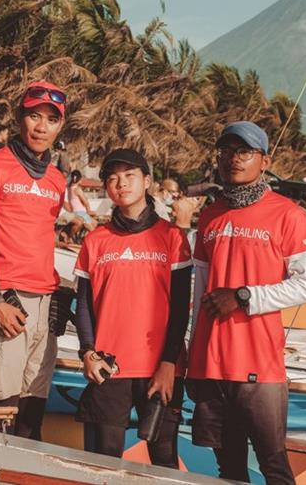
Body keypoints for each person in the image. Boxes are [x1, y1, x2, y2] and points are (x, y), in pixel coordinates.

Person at [188, 121, 306, 484]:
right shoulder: (211, 214)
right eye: (226, 151)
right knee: (228, 470)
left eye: (244, 152)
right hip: (212, 364)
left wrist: (245, 297)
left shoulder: (288, 214)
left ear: (264, 160)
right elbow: (200, 292)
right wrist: (191, 355)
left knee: (274, 468)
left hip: (259, 366)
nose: (233, 159)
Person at [73, 148, 192, 468]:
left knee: (164, 457)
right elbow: (83, 302)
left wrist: (169, 363)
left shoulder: (173, 238)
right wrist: (87, 351)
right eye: (112, 178)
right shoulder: (96, 240)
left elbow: (181, 307)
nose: (121, 183)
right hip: (110, 367)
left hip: (161, 368)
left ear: (147, 182)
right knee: (104, 461)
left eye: (129, 176)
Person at [0, 80, 67, 440]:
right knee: (2, 413)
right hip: (8, 302)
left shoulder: (57, 180)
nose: (41, 127)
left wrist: (57, 297)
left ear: (60, 126)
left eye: (51, 120)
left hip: (46, 305)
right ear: (19, 117)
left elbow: (40, 236)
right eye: (33, 116)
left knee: (32, 416)